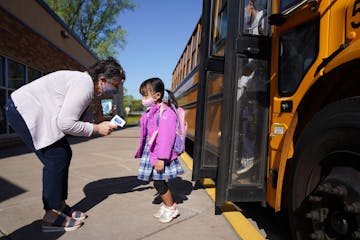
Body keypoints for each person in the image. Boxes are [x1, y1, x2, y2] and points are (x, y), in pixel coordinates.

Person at [4, 57, 125, 232]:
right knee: (55, 158)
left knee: (63, 154)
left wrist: (97, 120)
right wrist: (97, 129)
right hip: (22, 111)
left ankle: (59, 206)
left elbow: (73, 115)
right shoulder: (83, 86)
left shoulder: (85, 84)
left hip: (34, 112)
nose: (116, 90)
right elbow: (66, 124)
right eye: (115, 85)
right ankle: (51, 215)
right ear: (102, 80)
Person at [134, 77, 184, 223]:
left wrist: (161, 158)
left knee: (159, 182)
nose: (143, 98)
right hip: (153, 153)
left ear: (157, 95)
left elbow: (166, 138)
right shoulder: (152, 111)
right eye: (142, 95)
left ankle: (171, 208)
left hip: (160, 155)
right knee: (158, 181)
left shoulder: (166, 113)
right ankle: (166, 205)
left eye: (145, 95)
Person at [236, 0, 268, 177]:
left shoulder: (264, 20)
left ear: (250, 5)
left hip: (262, 84)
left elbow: (266, 48)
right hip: (251, 85)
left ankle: (251, 157)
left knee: (252, 123)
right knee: (246, 122)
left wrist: (252, 66)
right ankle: (249, 156)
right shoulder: (248, 26)